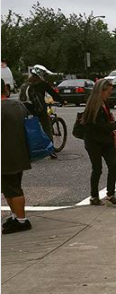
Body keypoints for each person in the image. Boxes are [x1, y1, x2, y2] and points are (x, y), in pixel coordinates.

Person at [82, 79, 116, 206]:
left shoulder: (104, 103)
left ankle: (110, 194)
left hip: (106, 140)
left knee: (112, 166)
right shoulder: (93, 106)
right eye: (109, 91)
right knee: (97, 169)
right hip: (94, 141)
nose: (110, 94)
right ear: (101, 91)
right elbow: (103, 127)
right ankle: (94, 196)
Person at [2, 79, 33, 234]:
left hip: (5, 154)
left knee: (12, 189)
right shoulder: (18, 105)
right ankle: (15, 216)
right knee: (10, 188)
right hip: (20, 151)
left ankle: (21, 220)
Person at [19, 64, 64, 158]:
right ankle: (51, 151)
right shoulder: (41, 84)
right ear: (41, 74)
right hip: (38, 110)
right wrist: (63, 101)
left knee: (28, 128)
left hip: (25, 109)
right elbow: (53, 94)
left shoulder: (25, 83)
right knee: (47, 128)